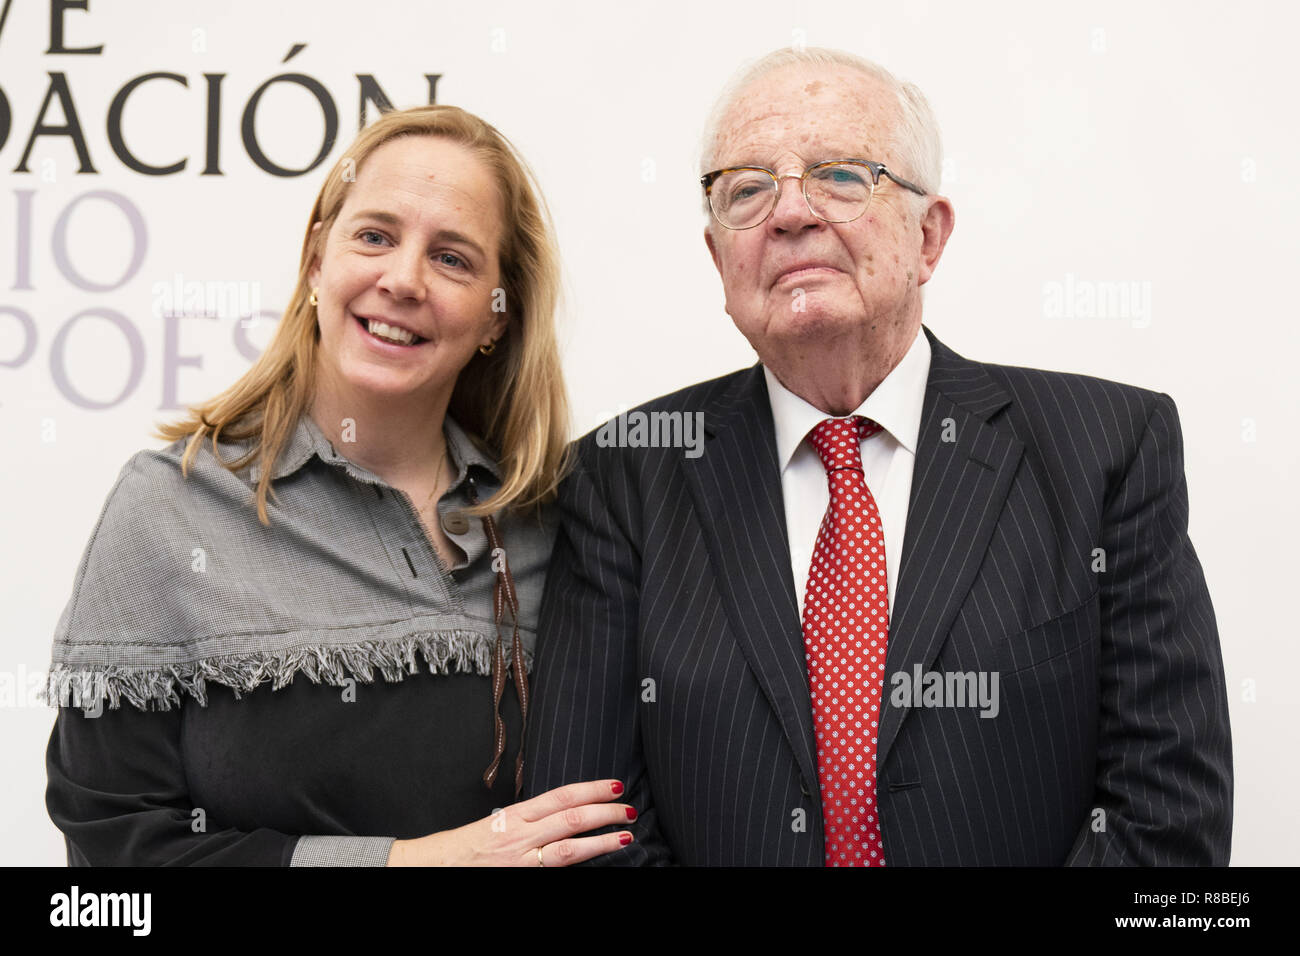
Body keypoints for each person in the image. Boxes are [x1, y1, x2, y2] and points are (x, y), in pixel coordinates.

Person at [524, 48, 1233, 866]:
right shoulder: (620, 479)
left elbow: (1167, 812)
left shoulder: (1107, 447)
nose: (790, 215)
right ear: (721, 262)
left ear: (928, 236)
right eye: (747, 191)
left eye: (839, 176)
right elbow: (582, 829)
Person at [44, 104, 636, 867]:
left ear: (498, 315)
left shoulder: (556, 520)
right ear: (317, 259)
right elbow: (112, 858)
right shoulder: (171, 507)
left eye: (453, 258)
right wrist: (402, 864)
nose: (403, 279)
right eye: (375, 236)